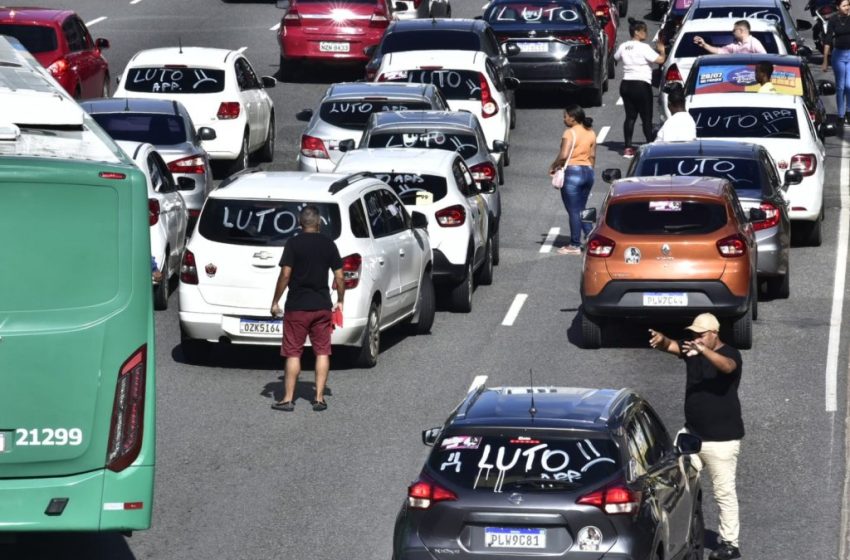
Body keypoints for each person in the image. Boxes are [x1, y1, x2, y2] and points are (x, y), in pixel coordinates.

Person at [648, 314, 744, 560]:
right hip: (691, 435)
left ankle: (730, 544)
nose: (695, 339)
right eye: (694, 334)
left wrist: (703, 351)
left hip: (722, 441)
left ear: (714, 333)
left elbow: (727, 367)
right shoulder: (692, 349)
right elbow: (671, 345)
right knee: (677, 481)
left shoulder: (730, 355)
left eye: (701, 334)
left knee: (724, 492)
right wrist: (661, 340)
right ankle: (683, 529)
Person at [270, 205, 344, 412]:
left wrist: (275, 301)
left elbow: (285, 274)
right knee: (322, 352)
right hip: (321, 306)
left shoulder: (293, 243)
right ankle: (319, 398)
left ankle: (287, 399)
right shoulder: (329, 244)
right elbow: (340, 276)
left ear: (300, 223)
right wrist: (340, 300)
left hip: (297, 308)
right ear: (319, 223)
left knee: (293, 353)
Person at [614, 18, 666, 158]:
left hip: (626, 84)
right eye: (644, 31)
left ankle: (628, 148)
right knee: (646, 118)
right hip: (641, 85)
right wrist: (662, 51)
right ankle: (650, 145)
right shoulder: (644, 47)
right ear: (636, 32)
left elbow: (616, 57)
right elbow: (660, 60)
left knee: (630, 117)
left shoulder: (624, 46)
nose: (646, 33)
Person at [549, 105, 597, 255]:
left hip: (572, 174)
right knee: (583, 208)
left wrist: (554, 166)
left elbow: (564, 155)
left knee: (574, 211)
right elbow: (593, 156)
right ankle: (591, 238)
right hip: (588, 172)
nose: (564, 119)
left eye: (565, 116)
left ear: (573, 117)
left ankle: (575, 245)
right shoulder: (591, 133)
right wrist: (590, 171)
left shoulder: (569, 133)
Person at [822, 0, 850, 124]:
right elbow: (828, 40)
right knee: (840, 87)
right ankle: (840, 114)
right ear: (838, 7)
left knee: (849, 86)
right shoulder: (833, 20)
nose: (847, 7)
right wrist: (825, 60)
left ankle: (849, 110)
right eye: (844, 5)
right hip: (838, 55)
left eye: (848, 5)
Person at [693, 20, 766, 54]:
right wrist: (704, 45)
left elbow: (765, 61)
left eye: (734, 30)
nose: (732, 32)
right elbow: (719, 51)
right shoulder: (735, 45)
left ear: (741, 31)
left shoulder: (754, 43)